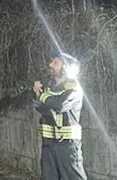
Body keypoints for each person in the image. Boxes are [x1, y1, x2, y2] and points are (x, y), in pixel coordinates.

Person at [35, 52, 87, 180]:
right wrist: (37, 94)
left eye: (55, 62)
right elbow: (42, 108)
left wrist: (42, 96)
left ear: (66, 67)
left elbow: (60, 104)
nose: (50, 65)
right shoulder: (49, 88)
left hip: (68, 146)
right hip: (48, 144)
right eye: (51, 62)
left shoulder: (74, 88)